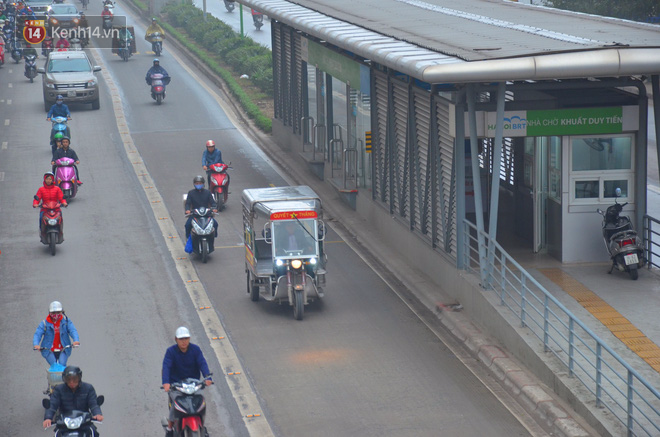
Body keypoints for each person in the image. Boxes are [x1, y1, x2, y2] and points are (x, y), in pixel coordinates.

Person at [161, 327, 212, 437]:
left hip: (194, 384)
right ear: (176, 339)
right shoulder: (170, 352)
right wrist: (166, 382)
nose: (184, 341)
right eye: (181, 339)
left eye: (186, 338)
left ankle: (202, 424)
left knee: (201, 401)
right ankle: (170, 428)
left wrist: (207, 377)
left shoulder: (196, 350)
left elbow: (202, 363)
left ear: (189, 339)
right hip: (176, 386)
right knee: (175, 405)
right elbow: (166, 367)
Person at [43, 366, 103, 434]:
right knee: (57, 434)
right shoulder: (59, 389)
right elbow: (53, 404)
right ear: (64, 379)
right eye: (68, 379)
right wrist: (48, 418)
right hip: (64, 423)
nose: (71, 382)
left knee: (94, 433)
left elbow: (93, 403)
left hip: (84, 422)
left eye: (75, 379)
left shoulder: (88, 388)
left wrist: (97, 414)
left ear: (79, 378)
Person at [33, 301, 80, 366]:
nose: (56, 315)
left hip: (64, 349)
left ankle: (63, 375)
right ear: (49, 313)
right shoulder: (44, 324)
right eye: (53, 313)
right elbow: (38, 334)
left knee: (62, 364)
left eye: (58, 312)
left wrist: (76, 340)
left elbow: (73, 330)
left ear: (62, 312)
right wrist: (36, 344)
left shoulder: (66, 322)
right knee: (54, 365)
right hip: (49, 350)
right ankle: (53, 375)